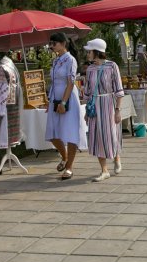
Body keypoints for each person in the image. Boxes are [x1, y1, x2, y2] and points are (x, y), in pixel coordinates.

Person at [46, 32, 86, 180]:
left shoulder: (70, 60)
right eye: (50, 44)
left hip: (68, 98)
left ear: (63, 43)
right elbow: (54, 81)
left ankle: (69, 167)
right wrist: (50, 100)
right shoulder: (56, 61)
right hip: (54, 98)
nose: (51, 46)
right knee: (53, 133)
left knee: (70, 132)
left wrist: (63, 102)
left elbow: (70, 82)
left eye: (54, 43)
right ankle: (65, 156)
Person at [83, 39, 124, 182]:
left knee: (111, 134)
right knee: (97, 136)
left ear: (97, 52)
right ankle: (104, 170)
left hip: (109, 104)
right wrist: (86, 111)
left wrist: (118, 110)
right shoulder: (89, 69)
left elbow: (119, 90)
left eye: (89, 51)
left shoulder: (112, 66)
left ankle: (116, 156)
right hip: (95, 105)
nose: (87, 54)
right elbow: (87, 91)